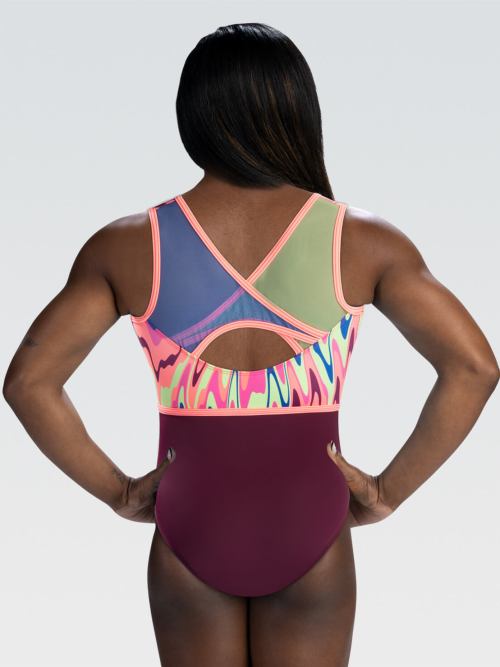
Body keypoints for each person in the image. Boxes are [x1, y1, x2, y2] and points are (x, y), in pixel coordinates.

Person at [3, 21, 498, 667]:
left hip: (190, 528)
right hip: (312, 528)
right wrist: (386, 491)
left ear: (192, 116)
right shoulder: (361, 241)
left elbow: (28, 382)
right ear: (298, 109)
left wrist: (119, 491)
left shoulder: (129, 246)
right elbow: (473, 366)